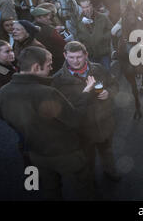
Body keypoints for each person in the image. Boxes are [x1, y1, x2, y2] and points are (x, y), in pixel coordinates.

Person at [0, 46, 95, 200]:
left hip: (36, 153)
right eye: (49, 65)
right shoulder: (46, 92)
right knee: (83, 186)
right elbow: (75, 120)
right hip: (65, 153)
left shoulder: (3, 91)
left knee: (51, 189)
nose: (51, 68)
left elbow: (6, 118)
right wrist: (86, 93)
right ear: (36, 67)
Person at [52, 41, 120, 181]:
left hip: (104, 123)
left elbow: (114, 84)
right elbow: (62, 110)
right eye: (71, 57)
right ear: (64, 55)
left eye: (79, 57)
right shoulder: (58, 80)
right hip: (82, 130)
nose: (75, 61)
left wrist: (109, 92)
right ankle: (90, 183)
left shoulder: (99, 68)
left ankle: (111, 171)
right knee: (87, 159)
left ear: (86, 55)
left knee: (107, 152)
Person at [76, 0, 112, 71]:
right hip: (91, 55)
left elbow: (111, 30)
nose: (86, 9)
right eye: (83, 7)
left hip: (104, 53)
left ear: (91, 6)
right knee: (96, 75)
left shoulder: (103, 17)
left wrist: (103, 37)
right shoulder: (79, 22)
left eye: (87, 6)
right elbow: (78, 37)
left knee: (107, 73)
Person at [31, 7, 66, 72]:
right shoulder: (49, 30)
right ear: (37, 18)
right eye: (44, 16)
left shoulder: (30, 28)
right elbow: (62, 43)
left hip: (42, 60)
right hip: (57, 59)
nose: (48, 17)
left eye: (47, 15)